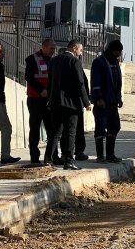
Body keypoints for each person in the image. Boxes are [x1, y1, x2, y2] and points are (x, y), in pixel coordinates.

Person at [44, 39, 91, 170]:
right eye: (81, 50)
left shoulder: (54, 60)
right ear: (75, 48)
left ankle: (48, 159)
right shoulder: (74, 61)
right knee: (71, 132)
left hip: (55, 102)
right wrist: (86, 102)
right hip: (71, 103)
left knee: (55, 132)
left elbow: (50, 81)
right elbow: (80, 83)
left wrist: (50, 98)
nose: (81, 53)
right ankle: (68, 161)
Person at [91, 40, 124, 163]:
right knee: (100, 128)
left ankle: (110, 155)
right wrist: (99, 98)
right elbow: (95, 82)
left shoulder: (115, 63)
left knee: (115, 126)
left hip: (112, 102)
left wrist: (119, 98)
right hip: (102, 103)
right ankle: (100, 156)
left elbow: (118, 83)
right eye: (117, 51)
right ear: (111, 51)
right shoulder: (99, 62)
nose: (119, 54)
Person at [25, 39, 56, 164]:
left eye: (54, 49)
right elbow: (28, 76)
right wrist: (40, 90)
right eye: (51, 48)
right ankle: (34, 157)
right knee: (35, 129)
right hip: (35, 99)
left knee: (52, 129)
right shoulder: (32, 59)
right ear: (43, 47)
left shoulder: (53, 60)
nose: (53, 51)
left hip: (49, 99)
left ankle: (51, 156)